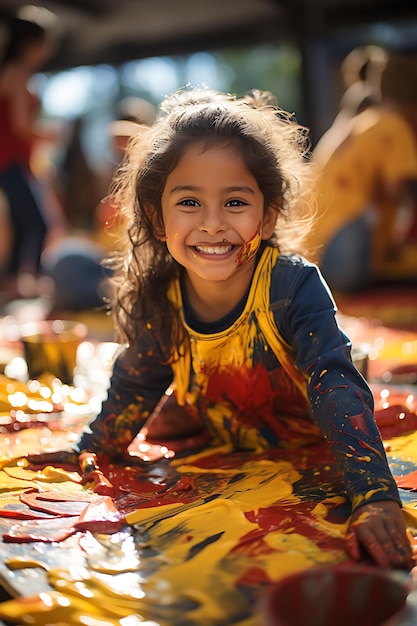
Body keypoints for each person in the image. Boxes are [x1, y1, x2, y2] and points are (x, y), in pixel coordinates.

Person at [29, 87, 413, 570]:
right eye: (189, 202)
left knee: (355, 380)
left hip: (307, 425)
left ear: (267, 214)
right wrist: (91, 448)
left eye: (235, 202)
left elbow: (333, 382)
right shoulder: (164, 298)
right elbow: (135, 382)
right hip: (226, 422)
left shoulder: (292, 285)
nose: (212, 225)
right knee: (161, 413)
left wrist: (374, 494)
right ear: (157, 218)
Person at [307, 51, 417, 293]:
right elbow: (395, 190)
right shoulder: (395, 126)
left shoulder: (358, 121)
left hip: (312, 252)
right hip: (345, 248)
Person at [0, 4, 61, 298]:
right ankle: (29, 283)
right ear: (29, 43)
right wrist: (50, 135)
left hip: (14, 161)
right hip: (8, 161)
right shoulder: (18, 73)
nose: (47, 50)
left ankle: (15, 283)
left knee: (23, 221)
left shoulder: (11, 72)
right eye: (44, 42)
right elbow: (21, 127)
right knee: (38, 221)